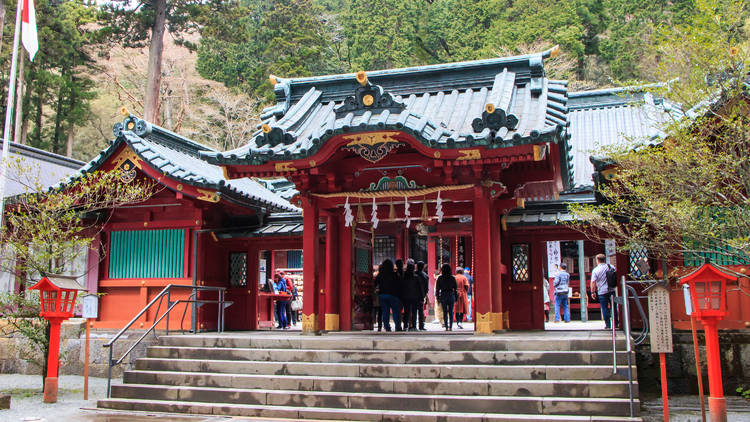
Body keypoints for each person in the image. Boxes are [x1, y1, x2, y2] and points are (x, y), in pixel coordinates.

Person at [591, 254, 619, 329]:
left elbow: (593, 282)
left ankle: (607, 324)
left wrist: (593, 292)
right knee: (614, 307)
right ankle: (616, 323)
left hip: (602, 291)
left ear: (597, 260)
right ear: (604, 259)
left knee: (604, 308)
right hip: (612, 289)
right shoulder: (611, 267)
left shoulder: (596, 270)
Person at [375, 259, 402, 331]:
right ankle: (398, 326)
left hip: (382, 295)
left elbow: (375, 283)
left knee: (385, 312)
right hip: (393, 295)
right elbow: (399, 285)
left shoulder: (380, 275)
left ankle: (387, 327)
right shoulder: (395, 274)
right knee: (395, 311)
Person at [401, 259, 424, 331]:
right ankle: (413, 326)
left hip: (406, 296)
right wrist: (422, 297)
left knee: (407, 312)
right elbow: (420, 288)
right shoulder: (416, 277)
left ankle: (405, 326)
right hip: (415, 297)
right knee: (414, 311)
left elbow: (402, 287)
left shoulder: (404, 277)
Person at [435, 264, 457, 331]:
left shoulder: (440, 278)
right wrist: (456, 297)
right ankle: (451, 326)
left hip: (443, 294)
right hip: (451, 294)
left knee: (444, 312)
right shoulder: (452, 278)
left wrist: (438, 298)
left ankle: (446, 326)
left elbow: (437, 289)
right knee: (451, 311)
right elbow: (455, 288)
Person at [416, 261, 429, 330]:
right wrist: (425, 295)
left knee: (413, 310)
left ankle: (413, 325)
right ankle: (421, 326)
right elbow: (426, 288)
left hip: (413, 294)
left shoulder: (414, 274)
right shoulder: (425, 276)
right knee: (421, 311)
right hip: (421, 294)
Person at [372, 265, 382, 332]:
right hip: (383, 294)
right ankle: (381, 325)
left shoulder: (378, 276)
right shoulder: (387, 276)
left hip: (377, 295)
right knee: (381, 312)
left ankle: (376, 325)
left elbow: (374, 285)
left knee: (377, 311)